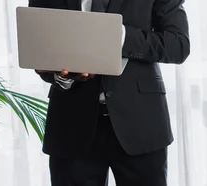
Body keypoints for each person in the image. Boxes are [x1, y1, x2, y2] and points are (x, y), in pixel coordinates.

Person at [28, 0, 189, 185]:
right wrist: (63, 77)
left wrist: (119, 37)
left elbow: (178, 45)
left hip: (141, 124)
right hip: (71, 126)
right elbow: (40, 44)